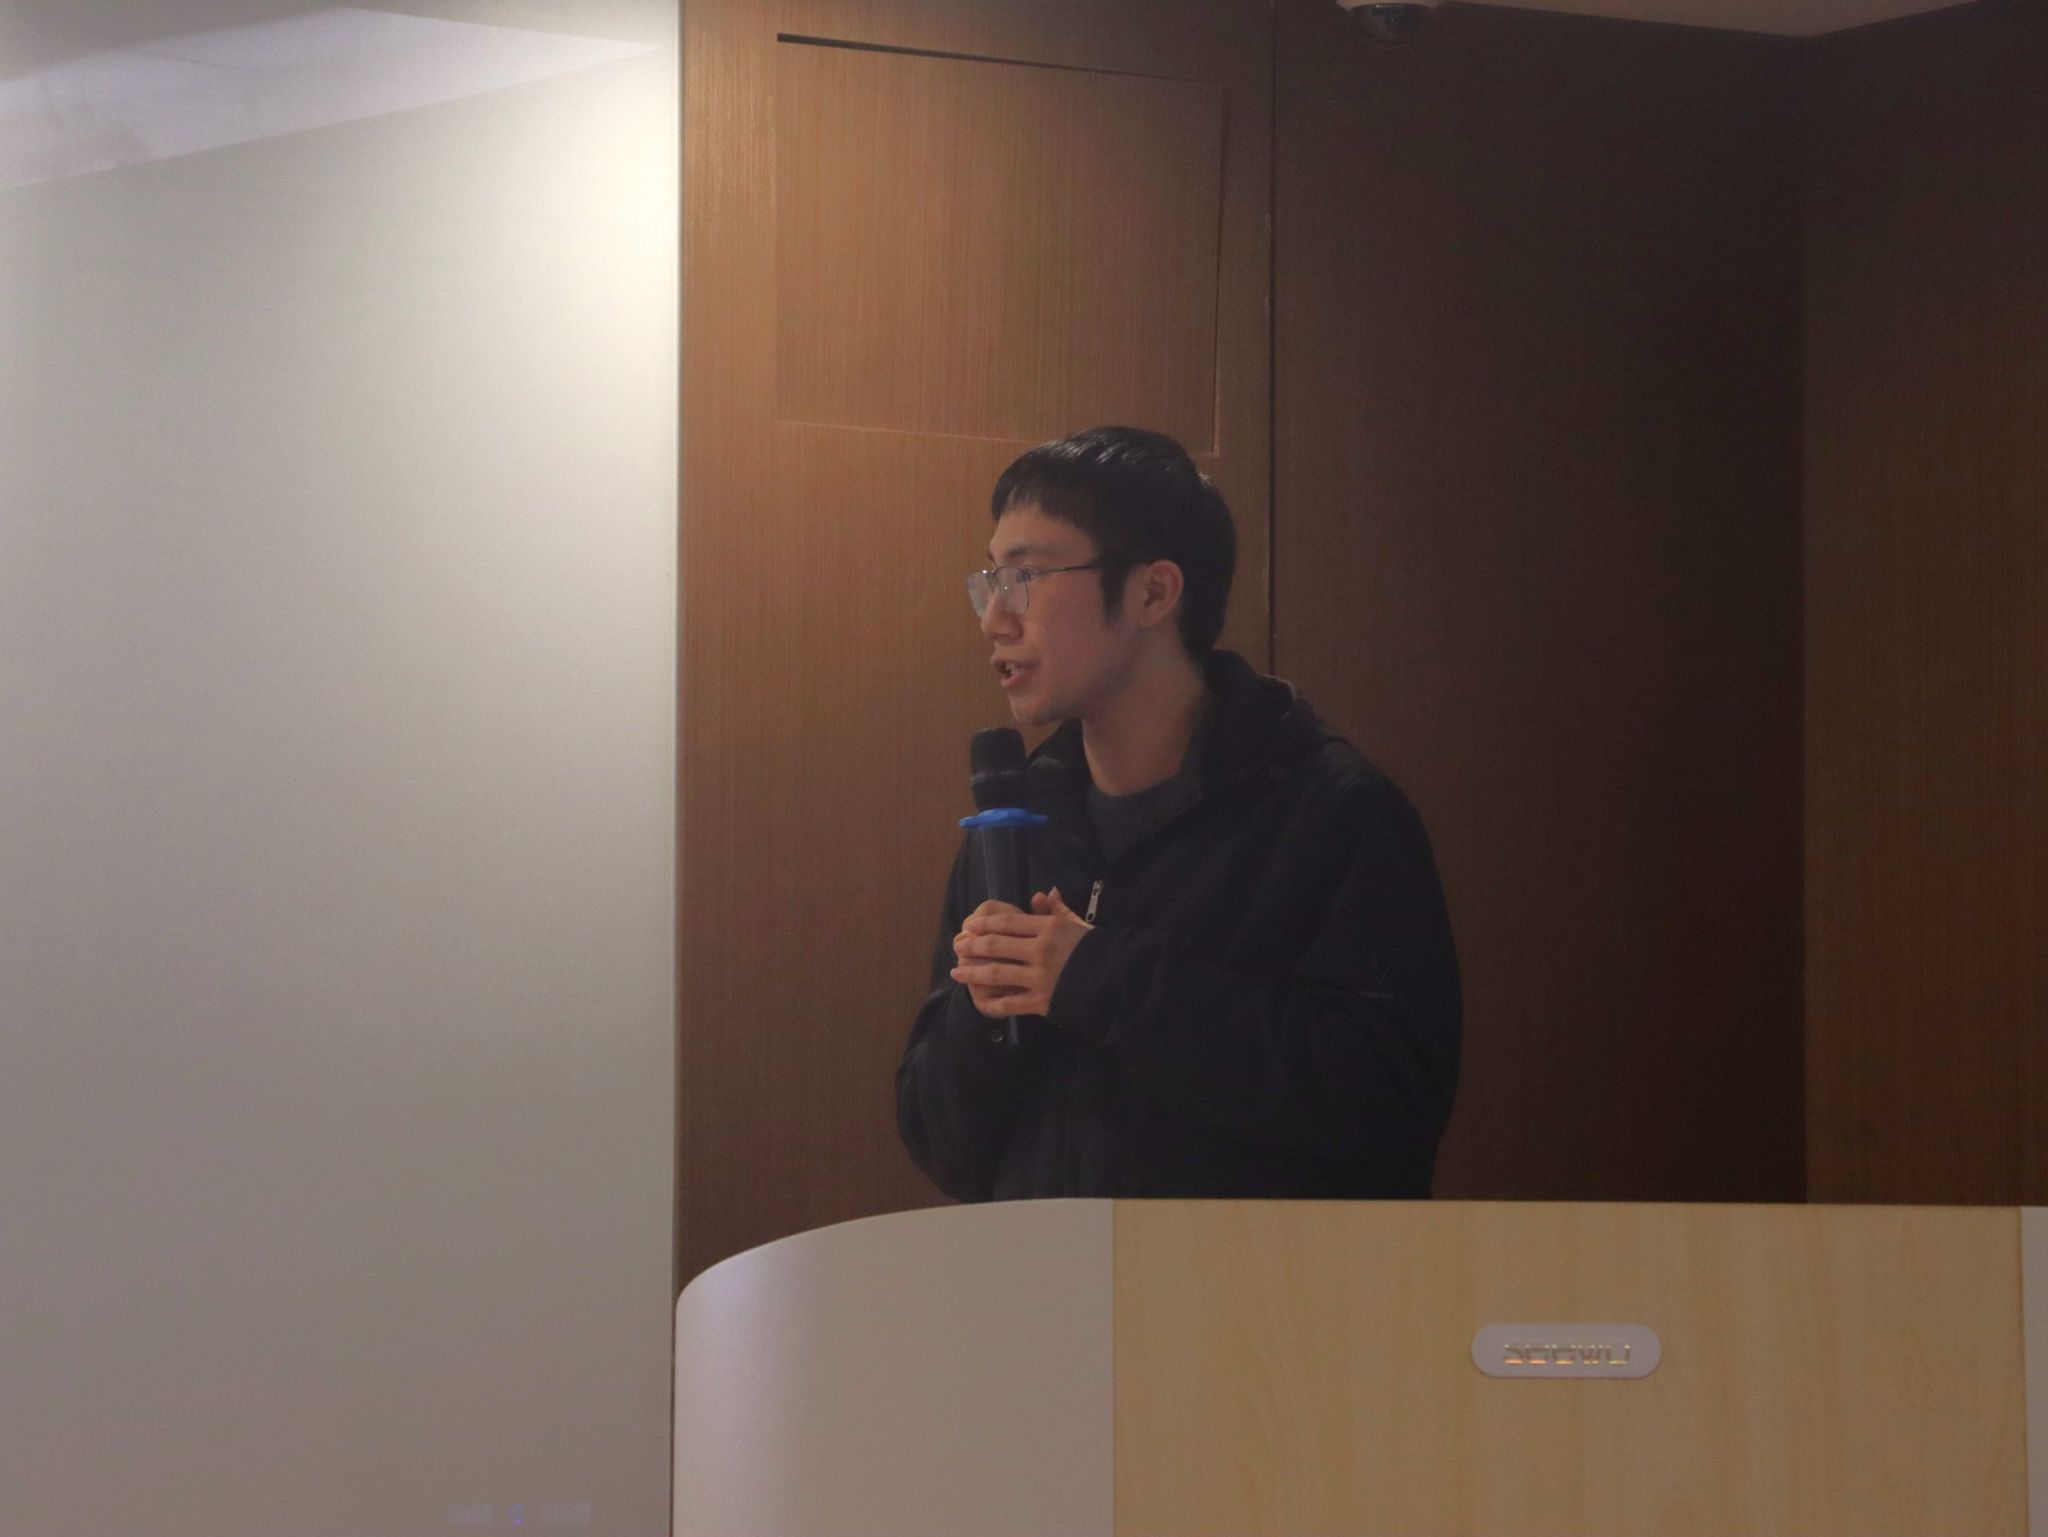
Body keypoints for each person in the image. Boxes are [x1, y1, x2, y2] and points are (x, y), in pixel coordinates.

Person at [895, 426, 1460, 1201]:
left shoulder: (1332, 812)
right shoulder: (1018, 830)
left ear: (1154, 593)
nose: (994, 618)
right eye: (990, 580)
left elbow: (1390, 1099)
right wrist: (984, 1014)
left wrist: (1099, 978)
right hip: (1046, 1275)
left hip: (1255, 1276)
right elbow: (944, 1147)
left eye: (1024, 577)